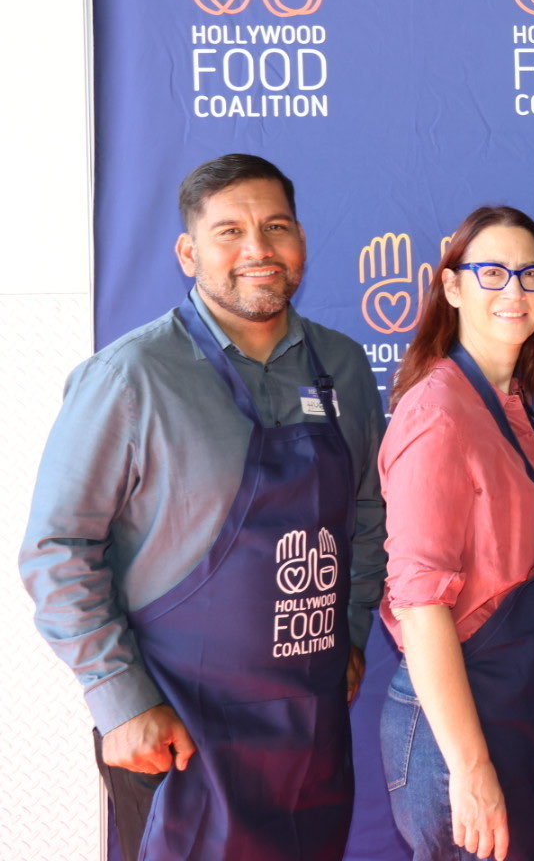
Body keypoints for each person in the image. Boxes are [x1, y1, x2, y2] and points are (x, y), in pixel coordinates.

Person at [19, 153, 386, 861]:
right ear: (189, 253)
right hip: (177, 725)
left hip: (308, 729)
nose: (258, 249)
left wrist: (351, 632)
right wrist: (119, 698)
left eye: (277, 227)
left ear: (301, 243)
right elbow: (57, 548)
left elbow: (367, 519)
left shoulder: (342, 366)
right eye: (230, 231)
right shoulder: (130, 375)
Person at [378, 205, 534, 861]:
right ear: (453, 287)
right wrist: (470, 768)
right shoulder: (438, 415)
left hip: (521, 715)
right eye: (491, 272)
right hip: (461, 727)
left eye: (530, 275)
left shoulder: (510, 404)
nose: (514, 291)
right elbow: (420, 604)